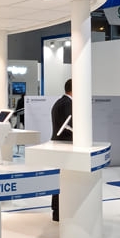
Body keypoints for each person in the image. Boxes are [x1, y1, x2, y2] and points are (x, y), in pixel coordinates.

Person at [49, 79, 73, 221]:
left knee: (60, 179)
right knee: (63, 180)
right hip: (65, 145)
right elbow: (70, 125)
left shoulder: (60, 102)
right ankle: (59, 211)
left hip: (61, 144)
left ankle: (57, 211)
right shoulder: (67, 104)